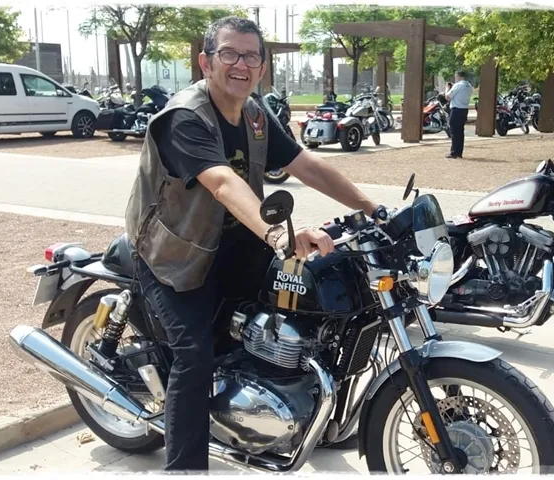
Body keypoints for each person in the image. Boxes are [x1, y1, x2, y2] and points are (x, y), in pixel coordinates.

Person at [124, 16, 383, 473]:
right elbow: (223, 183)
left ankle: (300, 417)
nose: (241, 64)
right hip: (175, 254)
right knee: (195, 355)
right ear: (206, 62)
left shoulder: (256, 116)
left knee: (309, 307)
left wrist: (372, 208)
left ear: (262, 67)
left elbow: (307, 165)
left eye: (251, 56)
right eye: (229, 53)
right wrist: (281, 235)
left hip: (235, 243)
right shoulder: (184, 118)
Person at [444, 70, 474, 158]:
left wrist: (447, 88)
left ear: (458, 76)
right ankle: (459, 152)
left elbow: (448, 96)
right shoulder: (469, 86)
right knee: (460, 131)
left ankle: (454, 152)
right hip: (464, 109)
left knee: (454, 131)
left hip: (456, 109)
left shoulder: (458, 85)